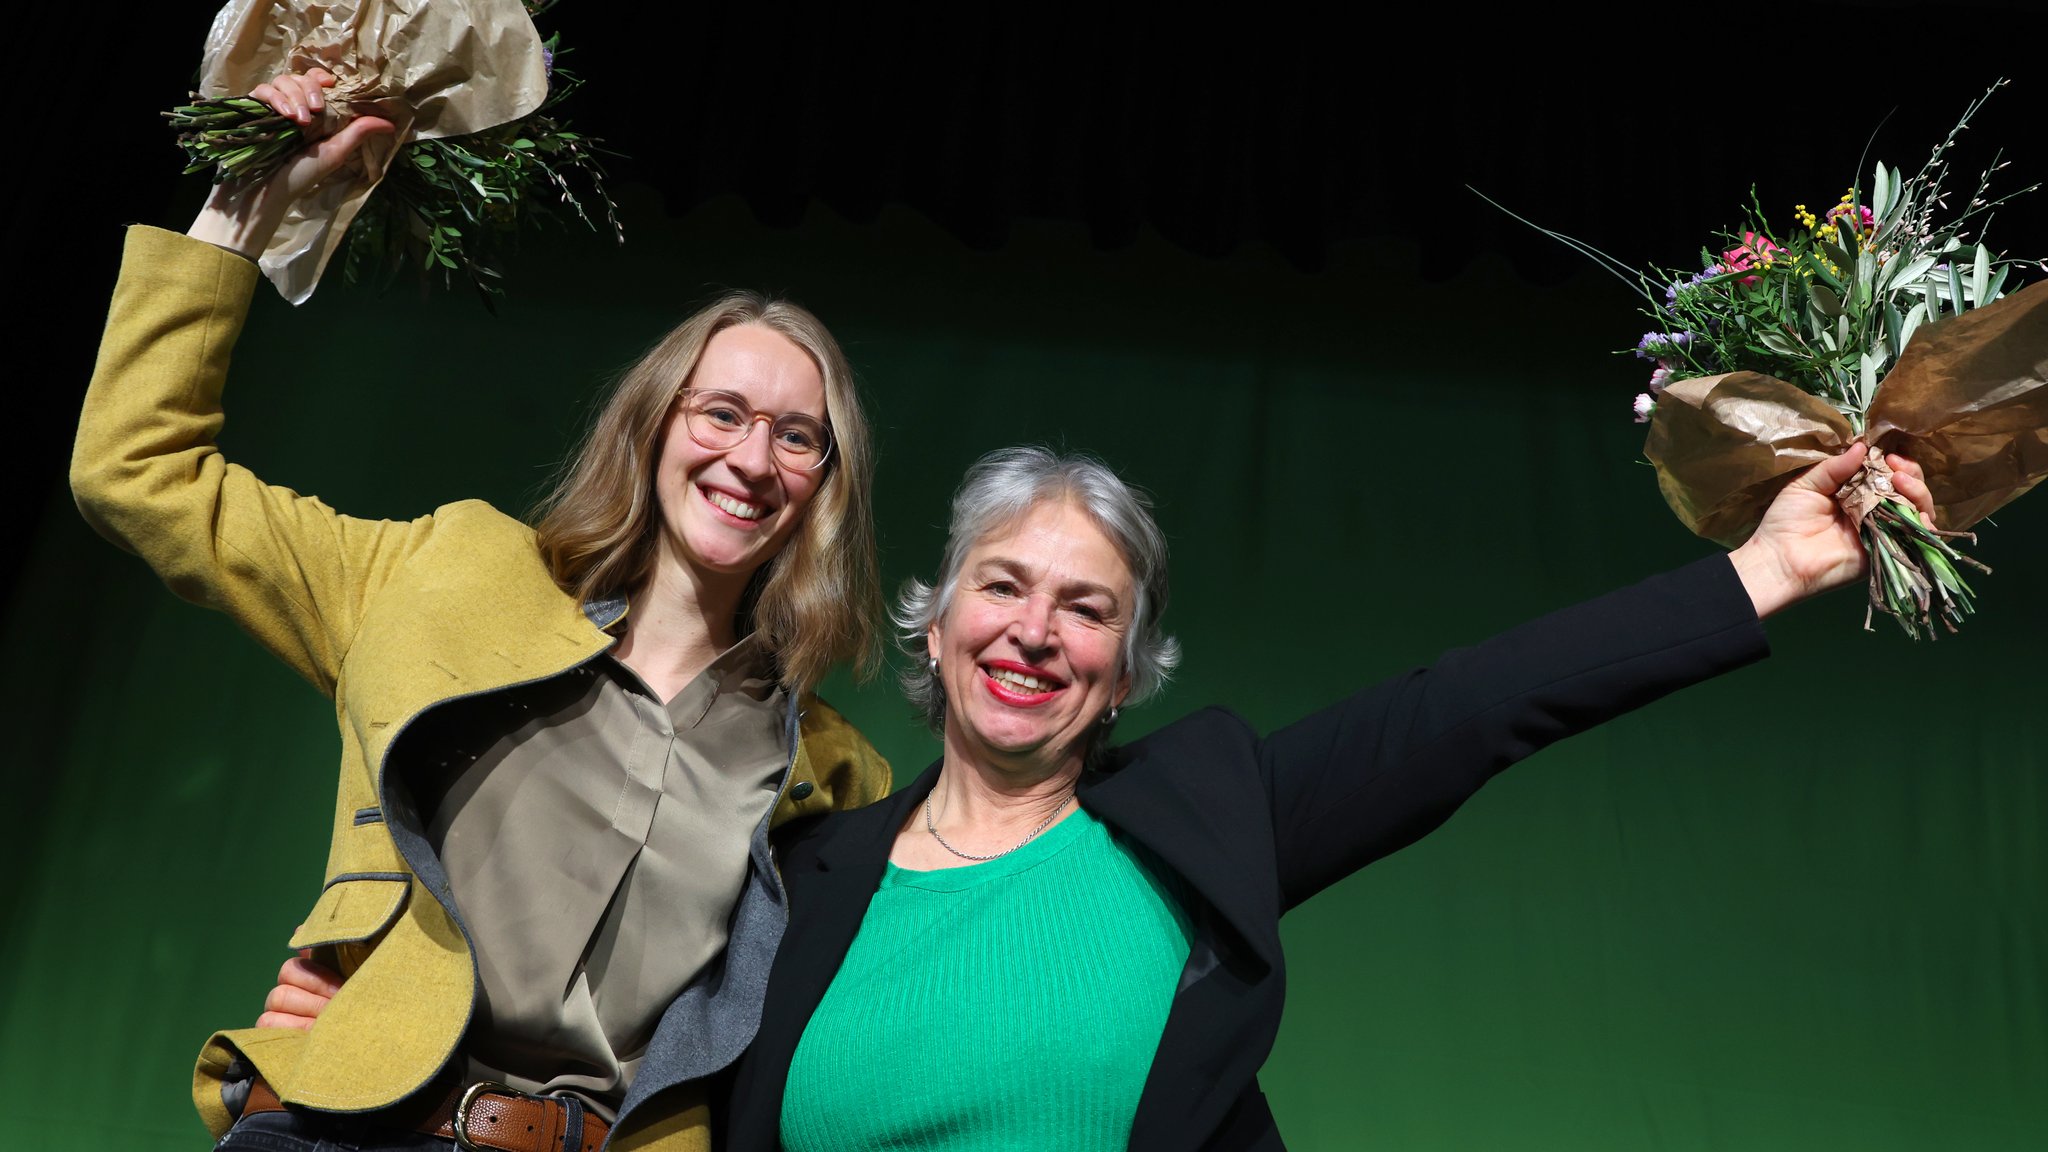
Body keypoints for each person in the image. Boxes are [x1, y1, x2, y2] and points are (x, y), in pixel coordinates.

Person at [276, 438, 1943, 1149]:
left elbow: (1470, 709)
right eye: (1004, 587)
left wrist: (1755, 569)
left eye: (1087, 607)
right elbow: (586, 1001)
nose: (1035, 631)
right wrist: (371, 1010)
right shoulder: (802, 871)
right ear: (937, 626)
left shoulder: (1203, 819)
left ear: (1126, 657)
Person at [70, 69, 891, 1152]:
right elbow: (138, 471)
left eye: (797, 436)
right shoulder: (448, 571)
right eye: (723, 412)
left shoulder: (831, 773)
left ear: (825, 485)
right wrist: (241, 203)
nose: (752, 458)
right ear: (652, 426)